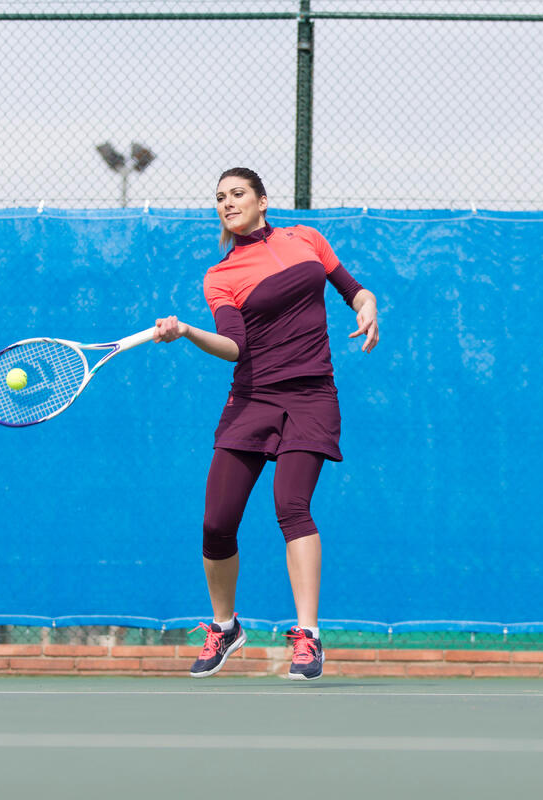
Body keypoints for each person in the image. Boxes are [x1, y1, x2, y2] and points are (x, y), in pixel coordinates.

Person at [154, 167, 378, 680]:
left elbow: (355, 291)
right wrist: (187, 331)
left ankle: (308, 637)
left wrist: (370, 308)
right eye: (219, 198)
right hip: (252, 399)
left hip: (311, 395)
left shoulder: (307, 240)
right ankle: (225, 626)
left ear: (262, 200)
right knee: (216, 523)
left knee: (291, 506)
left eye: (237, 194)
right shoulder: (220, 275)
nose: (227, 203)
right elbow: (236, 347)